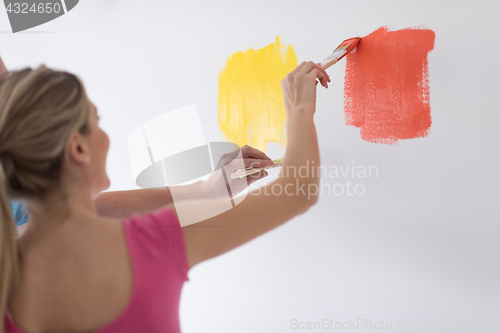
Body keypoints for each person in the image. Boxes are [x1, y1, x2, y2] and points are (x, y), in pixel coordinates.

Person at [0, 55, 329, 333]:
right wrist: (300, 109)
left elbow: (88, 212)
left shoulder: (7, 271)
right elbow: (298, 192)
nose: (106, 134)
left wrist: (208, 190)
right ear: (78, 148)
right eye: (96, 119)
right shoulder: (153, 243)